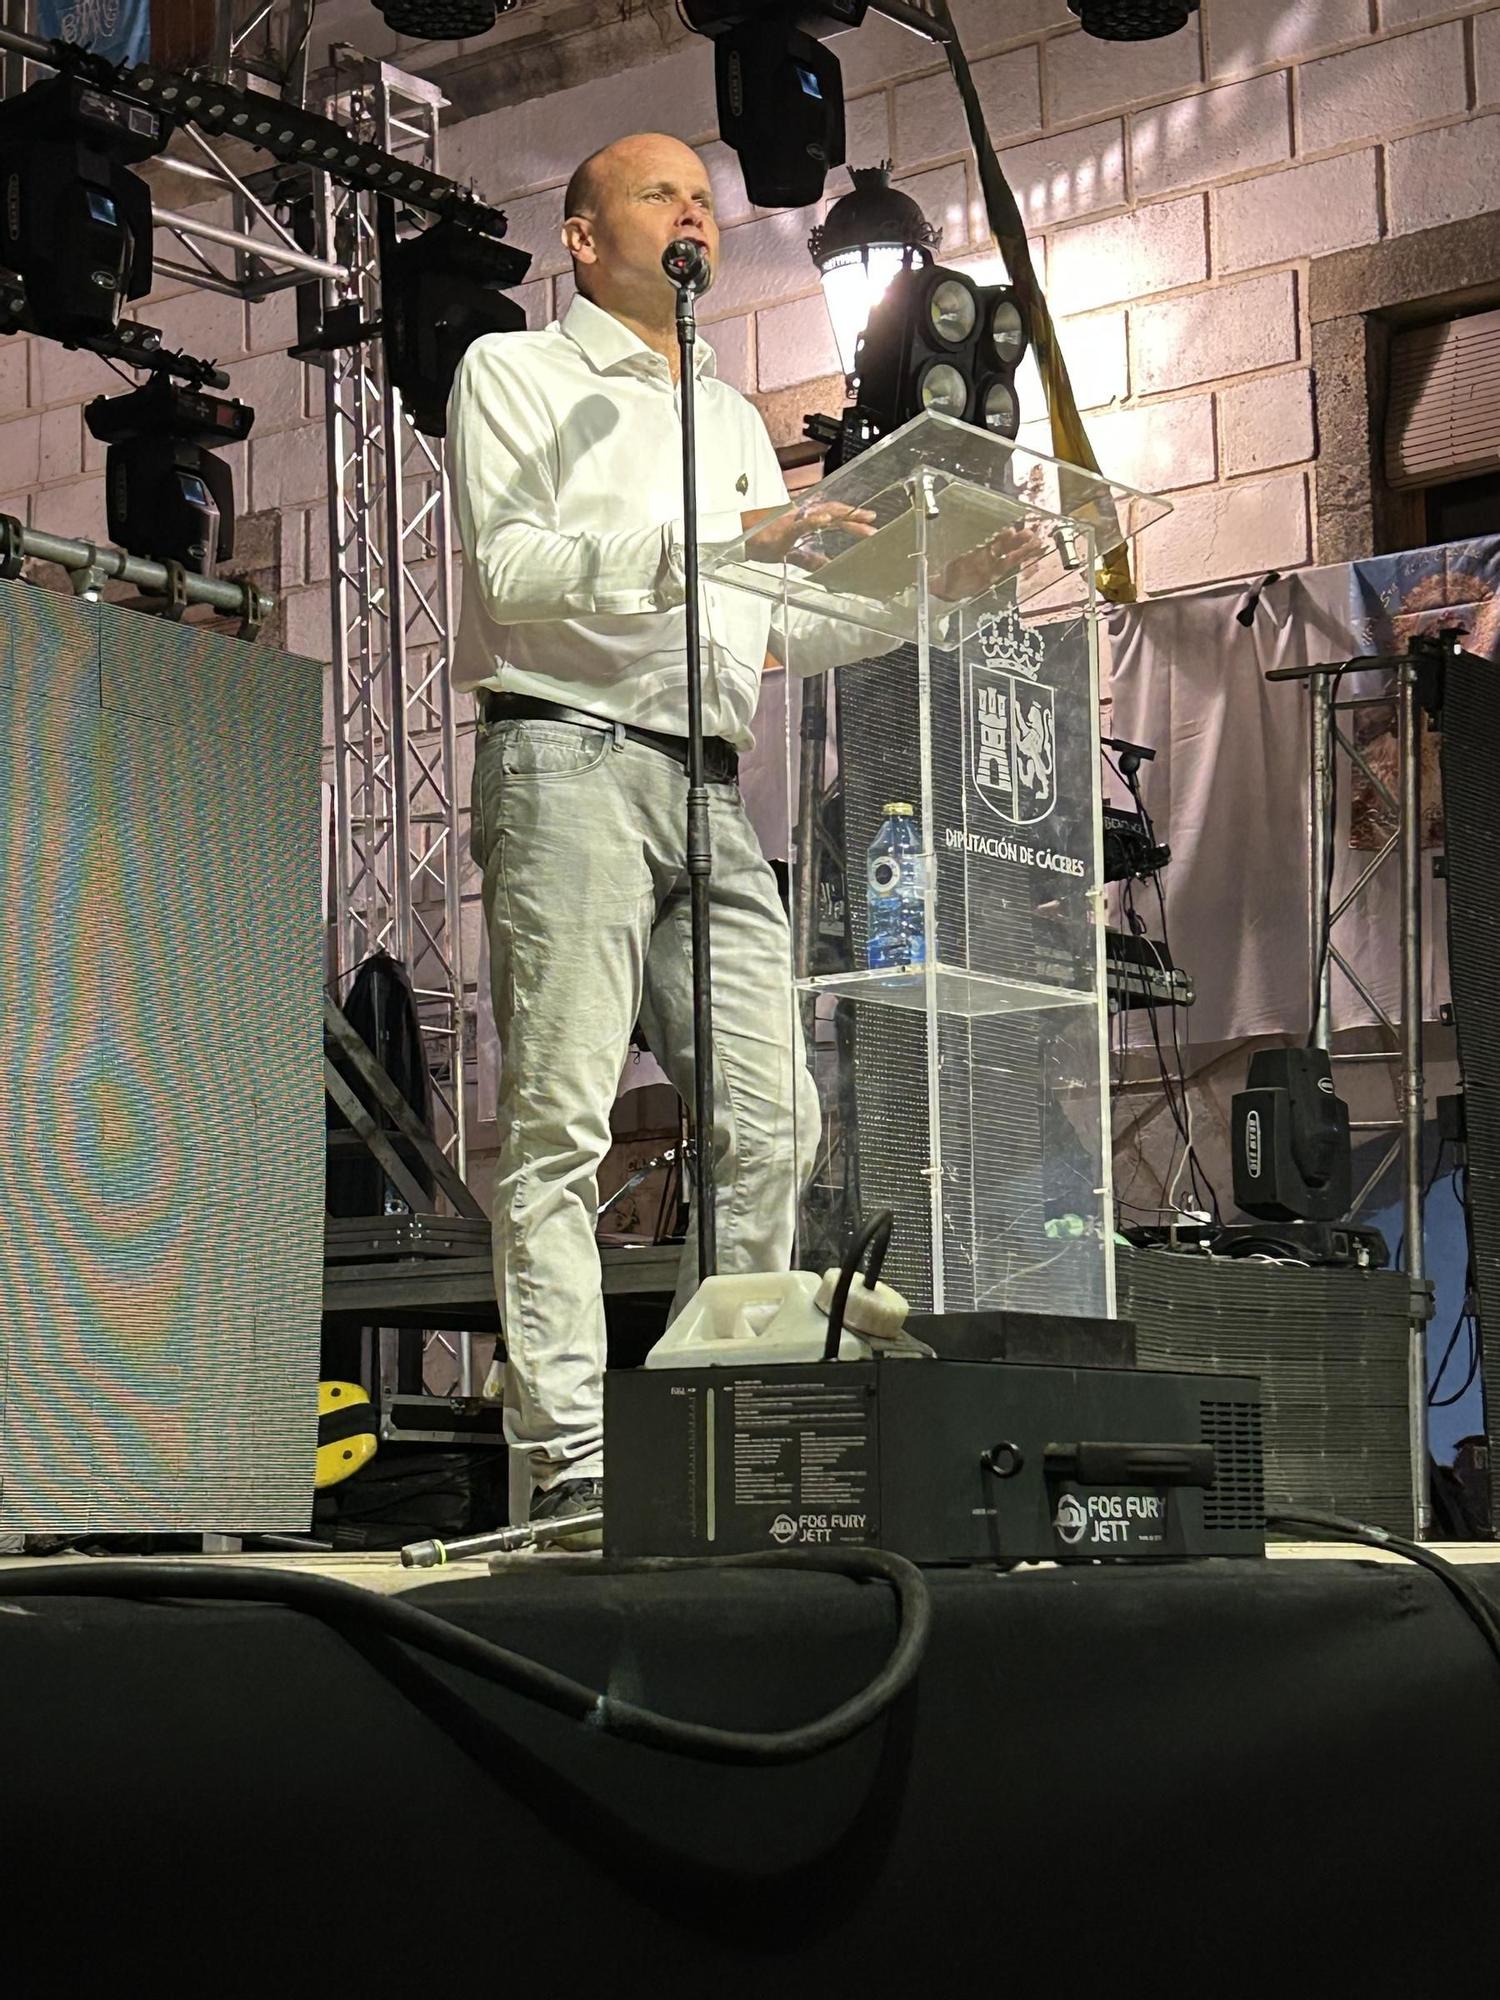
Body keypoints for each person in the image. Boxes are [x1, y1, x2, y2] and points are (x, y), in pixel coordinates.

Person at [448, 132, 875, 1544]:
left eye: (706, 195)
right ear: (581, 237)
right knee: (564, 1125)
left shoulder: (737, 417)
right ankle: (568, 1454)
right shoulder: (519, 375)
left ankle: (733, 1418)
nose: (697, 211)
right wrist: (716, 550)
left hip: (708, 781)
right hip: (566, 750)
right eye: (660, 193)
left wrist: (924, 592)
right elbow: (510, 572)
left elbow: (769, 632)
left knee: (776, 1120)